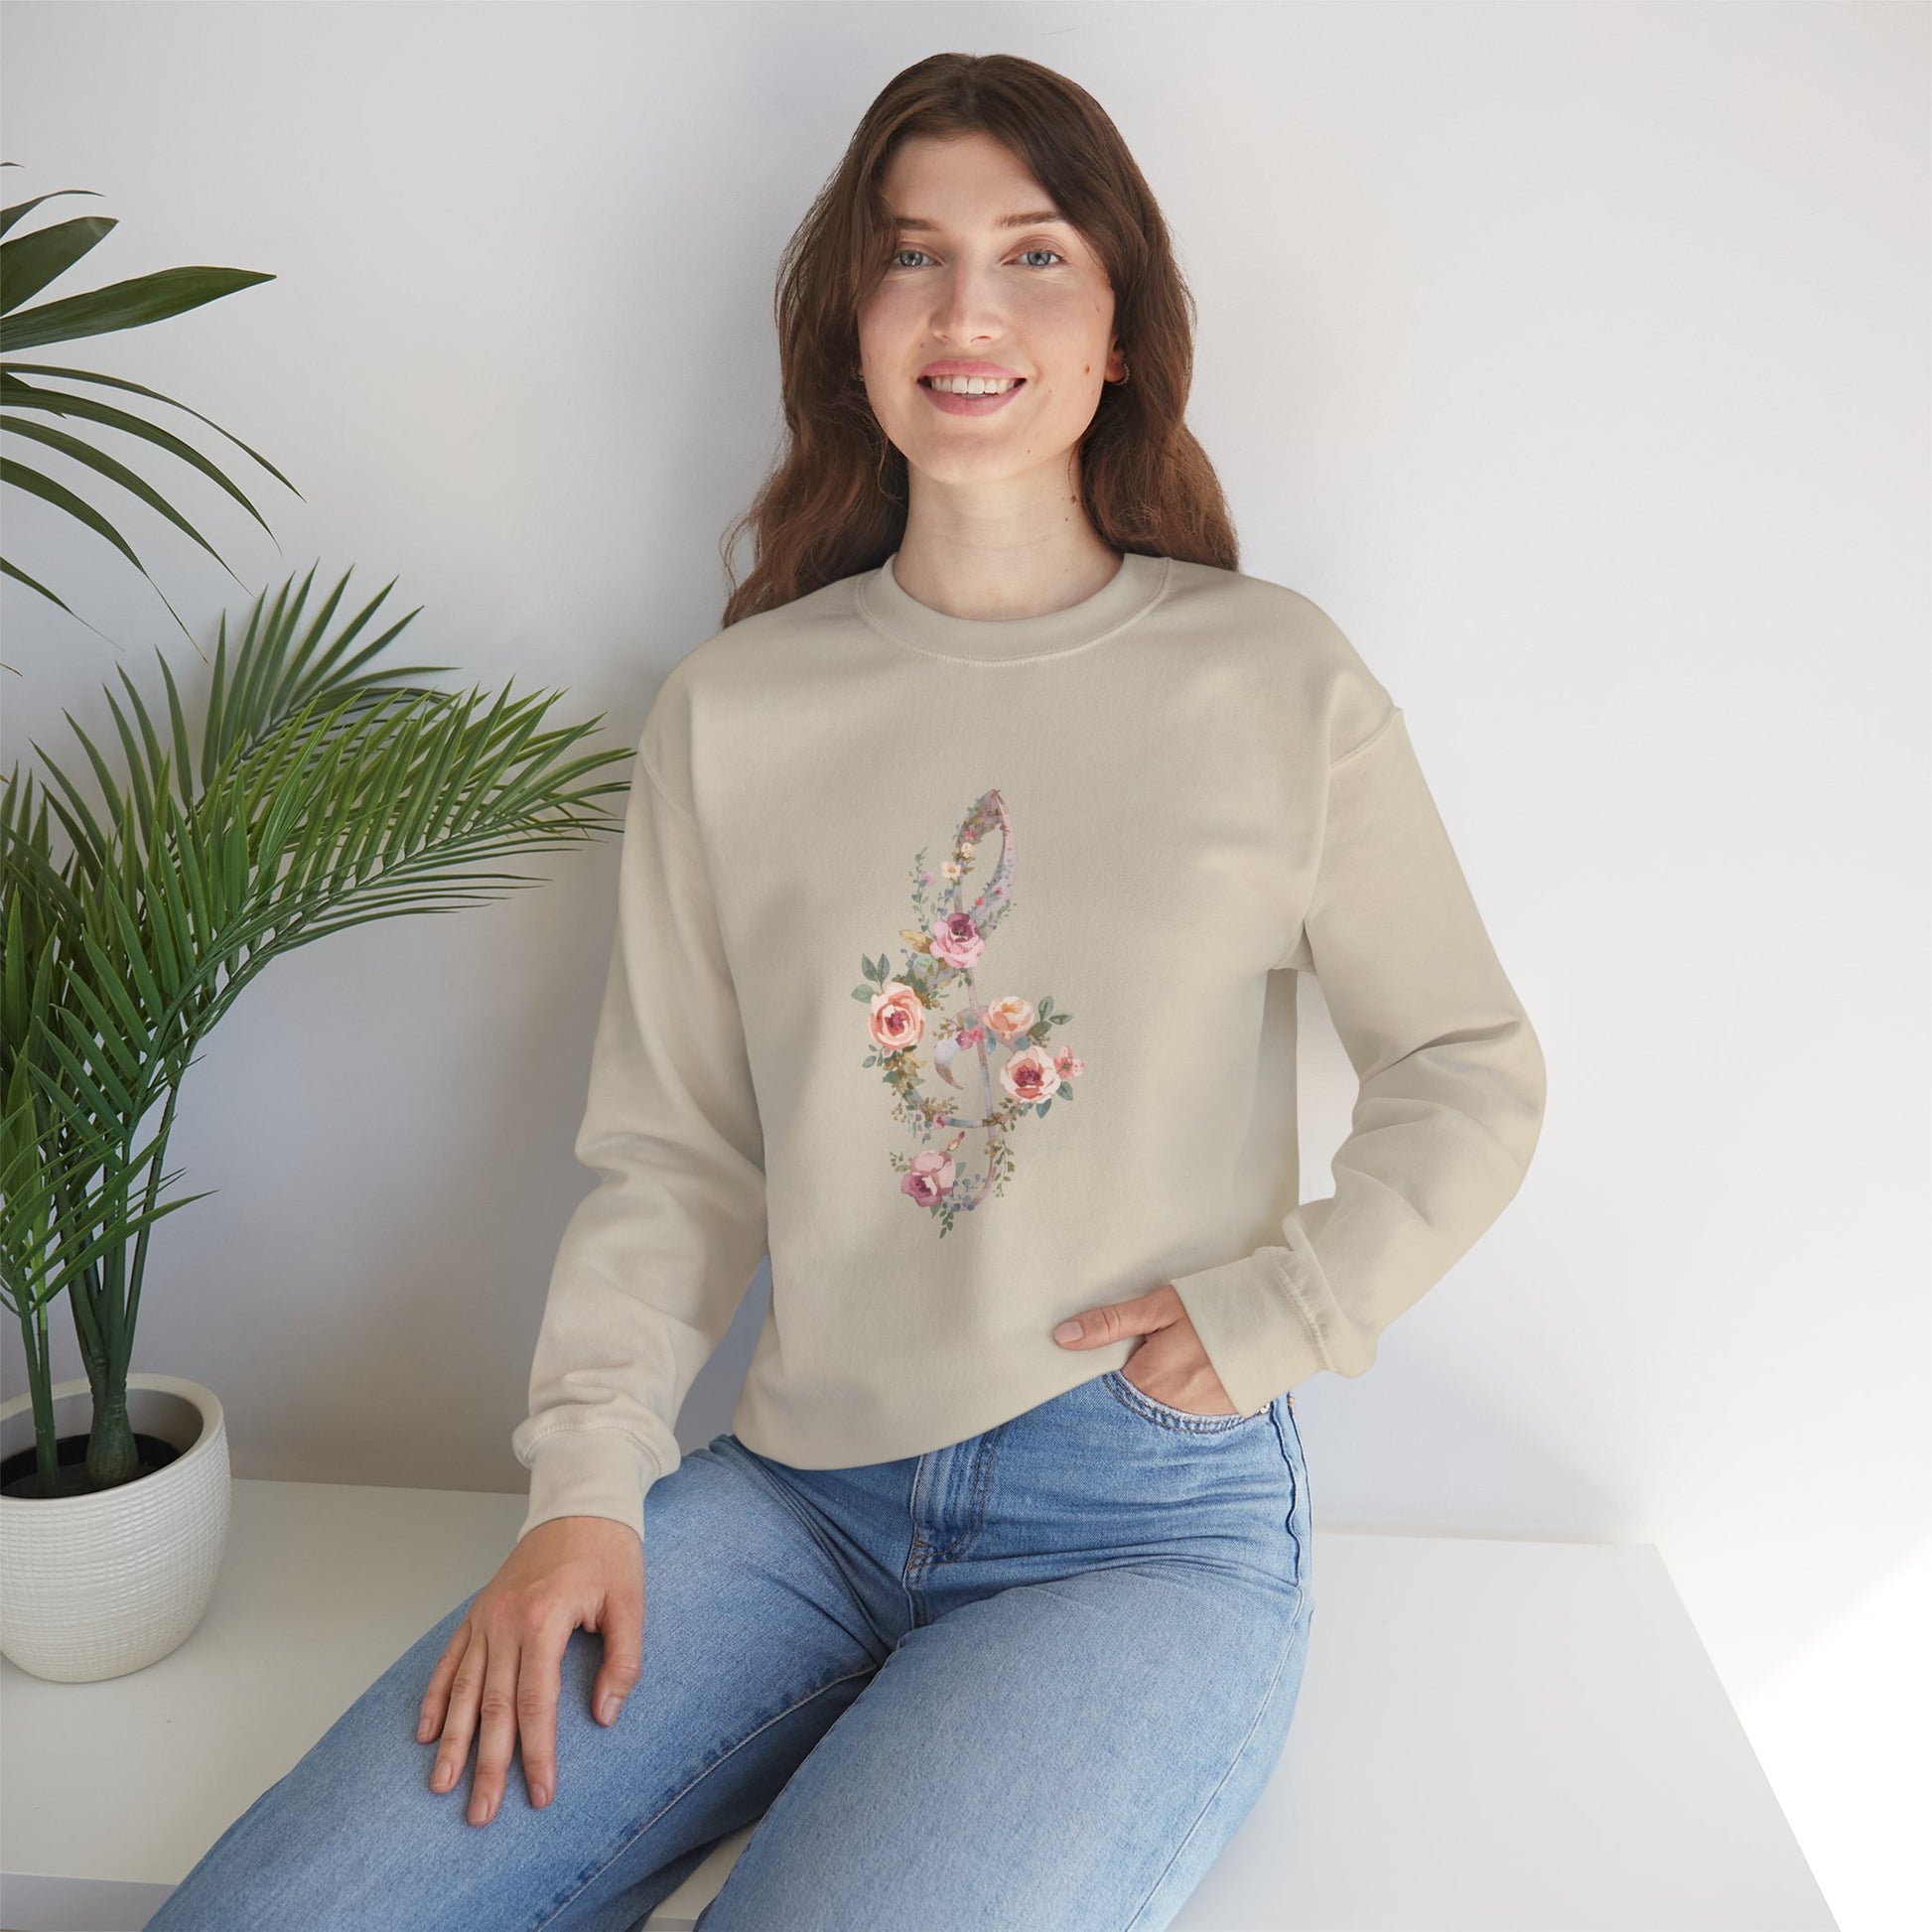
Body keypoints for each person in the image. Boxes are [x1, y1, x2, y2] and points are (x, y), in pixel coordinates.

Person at [147, 50, 1546, 1932]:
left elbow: (1466, 1063)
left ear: (1120, 323)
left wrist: (1290, 1300)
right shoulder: (737, 710)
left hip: (1136, 1524)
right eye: (911, 259)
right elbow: (676, 1158)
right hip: (794, 1498)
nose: (967, 311)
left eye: (1033, 255)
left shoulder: (1271, 680)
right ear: (853, 322)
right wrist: (584, 1485)